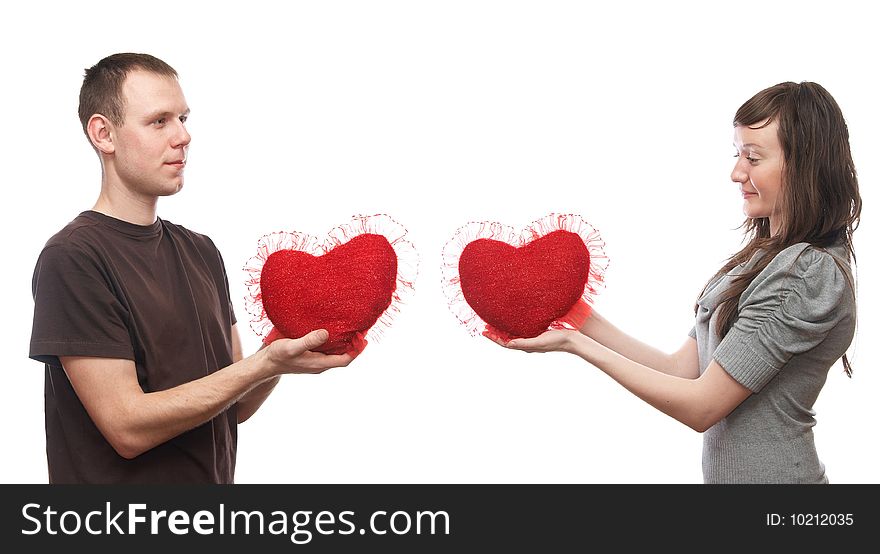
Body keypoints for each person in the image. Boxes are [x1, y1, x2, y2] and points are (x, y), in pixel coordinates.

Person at [495, 81, 861, 484]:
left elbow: (701, 407)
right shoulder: (762, 258)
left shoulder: (807, 274)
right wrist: (574, 317)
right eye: (737, 154)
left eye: (753, 158)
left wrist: (574, 345)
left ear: (805, 166)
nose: (736, 172)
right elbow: (683, 371)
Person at [29, 53, 353, 483]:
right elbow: (126, 426)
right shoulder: (73, 257)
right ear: (103, 134)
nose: (183, 136)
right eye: (159, 121)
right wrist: (265, 364)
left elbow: (233, 403)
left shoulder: (201, 252)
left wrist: (284, 348)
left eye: (183, 117)